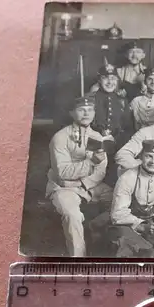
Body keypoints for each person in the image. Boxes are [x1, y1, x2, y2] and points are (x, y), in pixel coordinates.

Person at [46, 97, 113, 257]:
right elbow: (62, 172)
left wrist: (83, 183)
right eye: (81, 109)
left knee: (119, 201)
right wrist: (90, 163)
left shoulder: (97, 137)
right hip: (63, 188)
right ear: (71, 113)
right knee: (72, 215)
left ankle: (99, 240)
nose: (86, 113)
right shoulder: (60, 137)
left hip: (89, 186)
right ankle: (78, 260)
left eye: (90, 110)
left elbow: (101, 170)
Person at [90, 62, 134, 186]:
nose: (110, 82)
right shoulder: (90, 99)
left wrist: (117, 140)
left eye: (113, 78)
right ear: (99, 80)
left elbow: (128, 128)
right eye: (105, 78)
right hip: (94, 147)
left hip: (116, 148)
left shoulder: (122, 101)